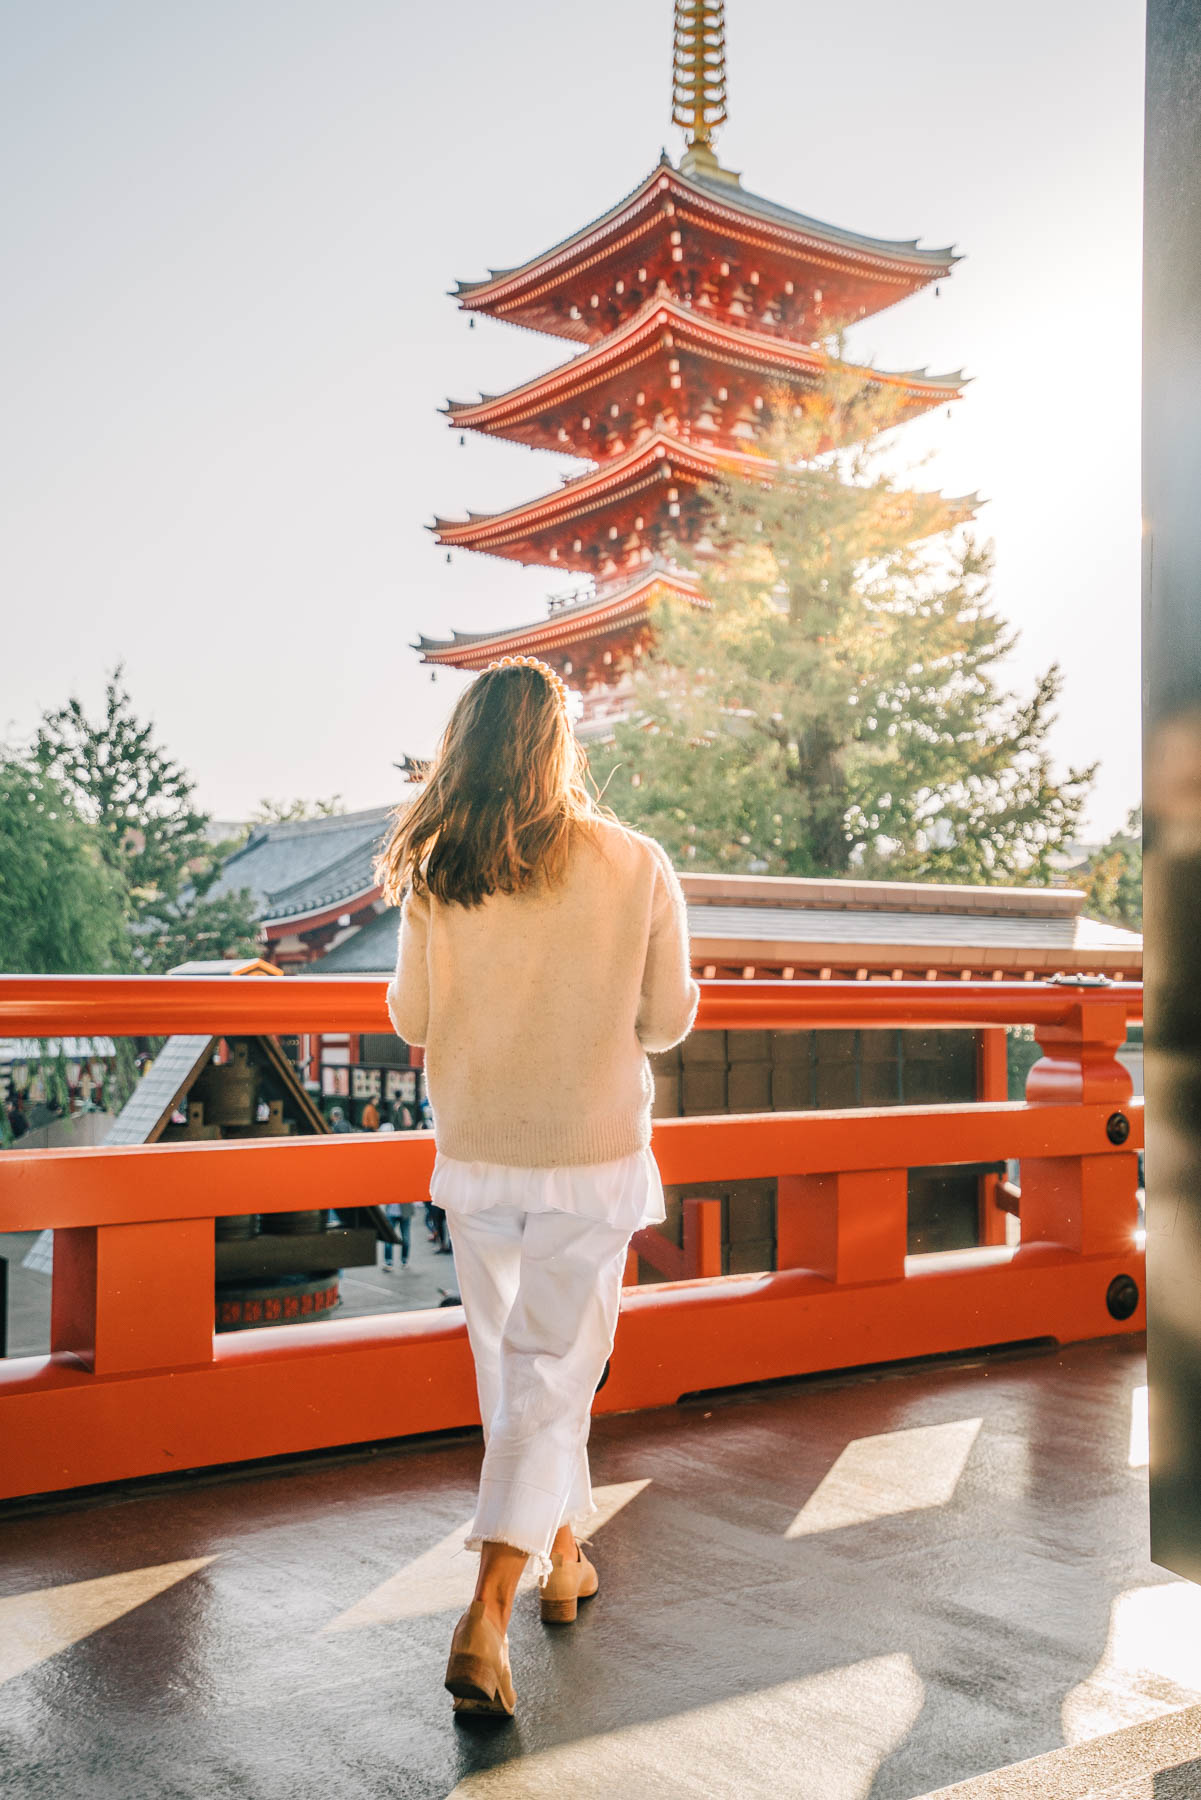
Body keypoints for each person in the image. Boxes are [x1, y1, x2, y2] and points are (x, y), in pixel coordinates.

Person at [380, 653, 697, 1719]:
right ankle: (485, 1613)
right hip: (590, 1154)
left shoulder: (437, 871)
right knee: (552, 1372)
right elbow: (664, 1023)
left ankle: (563, 1556)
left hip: (478, 1151)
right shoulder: (634, 861)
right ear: (560, 745)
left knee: (510, 1370)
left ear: (463, 748)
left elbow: (414, 1022)